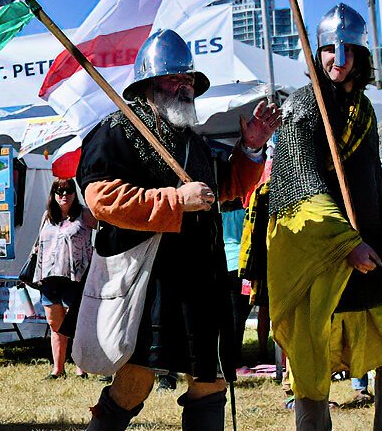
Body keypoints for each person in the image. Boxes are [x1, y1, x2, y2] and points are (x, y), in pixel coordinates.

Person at [74, 29, 275, 430]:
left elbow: (225, 190)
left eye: (189, 81)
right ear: (148, 85)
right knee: (136, 379)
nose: (184, 87)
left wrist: (250, 149)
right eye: (174, 79)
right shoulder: (116, 131)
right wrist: (172, 201)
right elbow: (102, 198)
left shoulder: (192, 142)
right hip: (152, 280)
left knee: (210, 380)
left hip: (203, 279)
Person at [265, 4, 382, 431]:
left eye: (346, 50)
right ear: (316, 53)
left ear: (361, 57)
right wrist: (346, 243)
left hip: (367, 257)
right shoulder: (303, 108)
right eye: (327, 48)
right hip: (321, 259)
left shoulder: (363, 110)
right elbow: (302, 192)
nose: (336, 58)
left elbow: (368, 189)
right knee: (311, 370)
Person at [29, 178, 93, 379]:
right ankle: (58, 369)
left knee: (76, 324)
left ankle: (81, 368)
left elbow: (103, 227)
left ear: (75, 194)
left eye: (68, 191)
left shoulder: (84, 215)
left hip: (74, 277)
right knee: (54, 324)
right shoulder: (47, 216)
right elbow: (38, 244)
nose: (64, 195)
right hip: (49, 277)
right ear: (53, 195)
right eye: (59, 191)